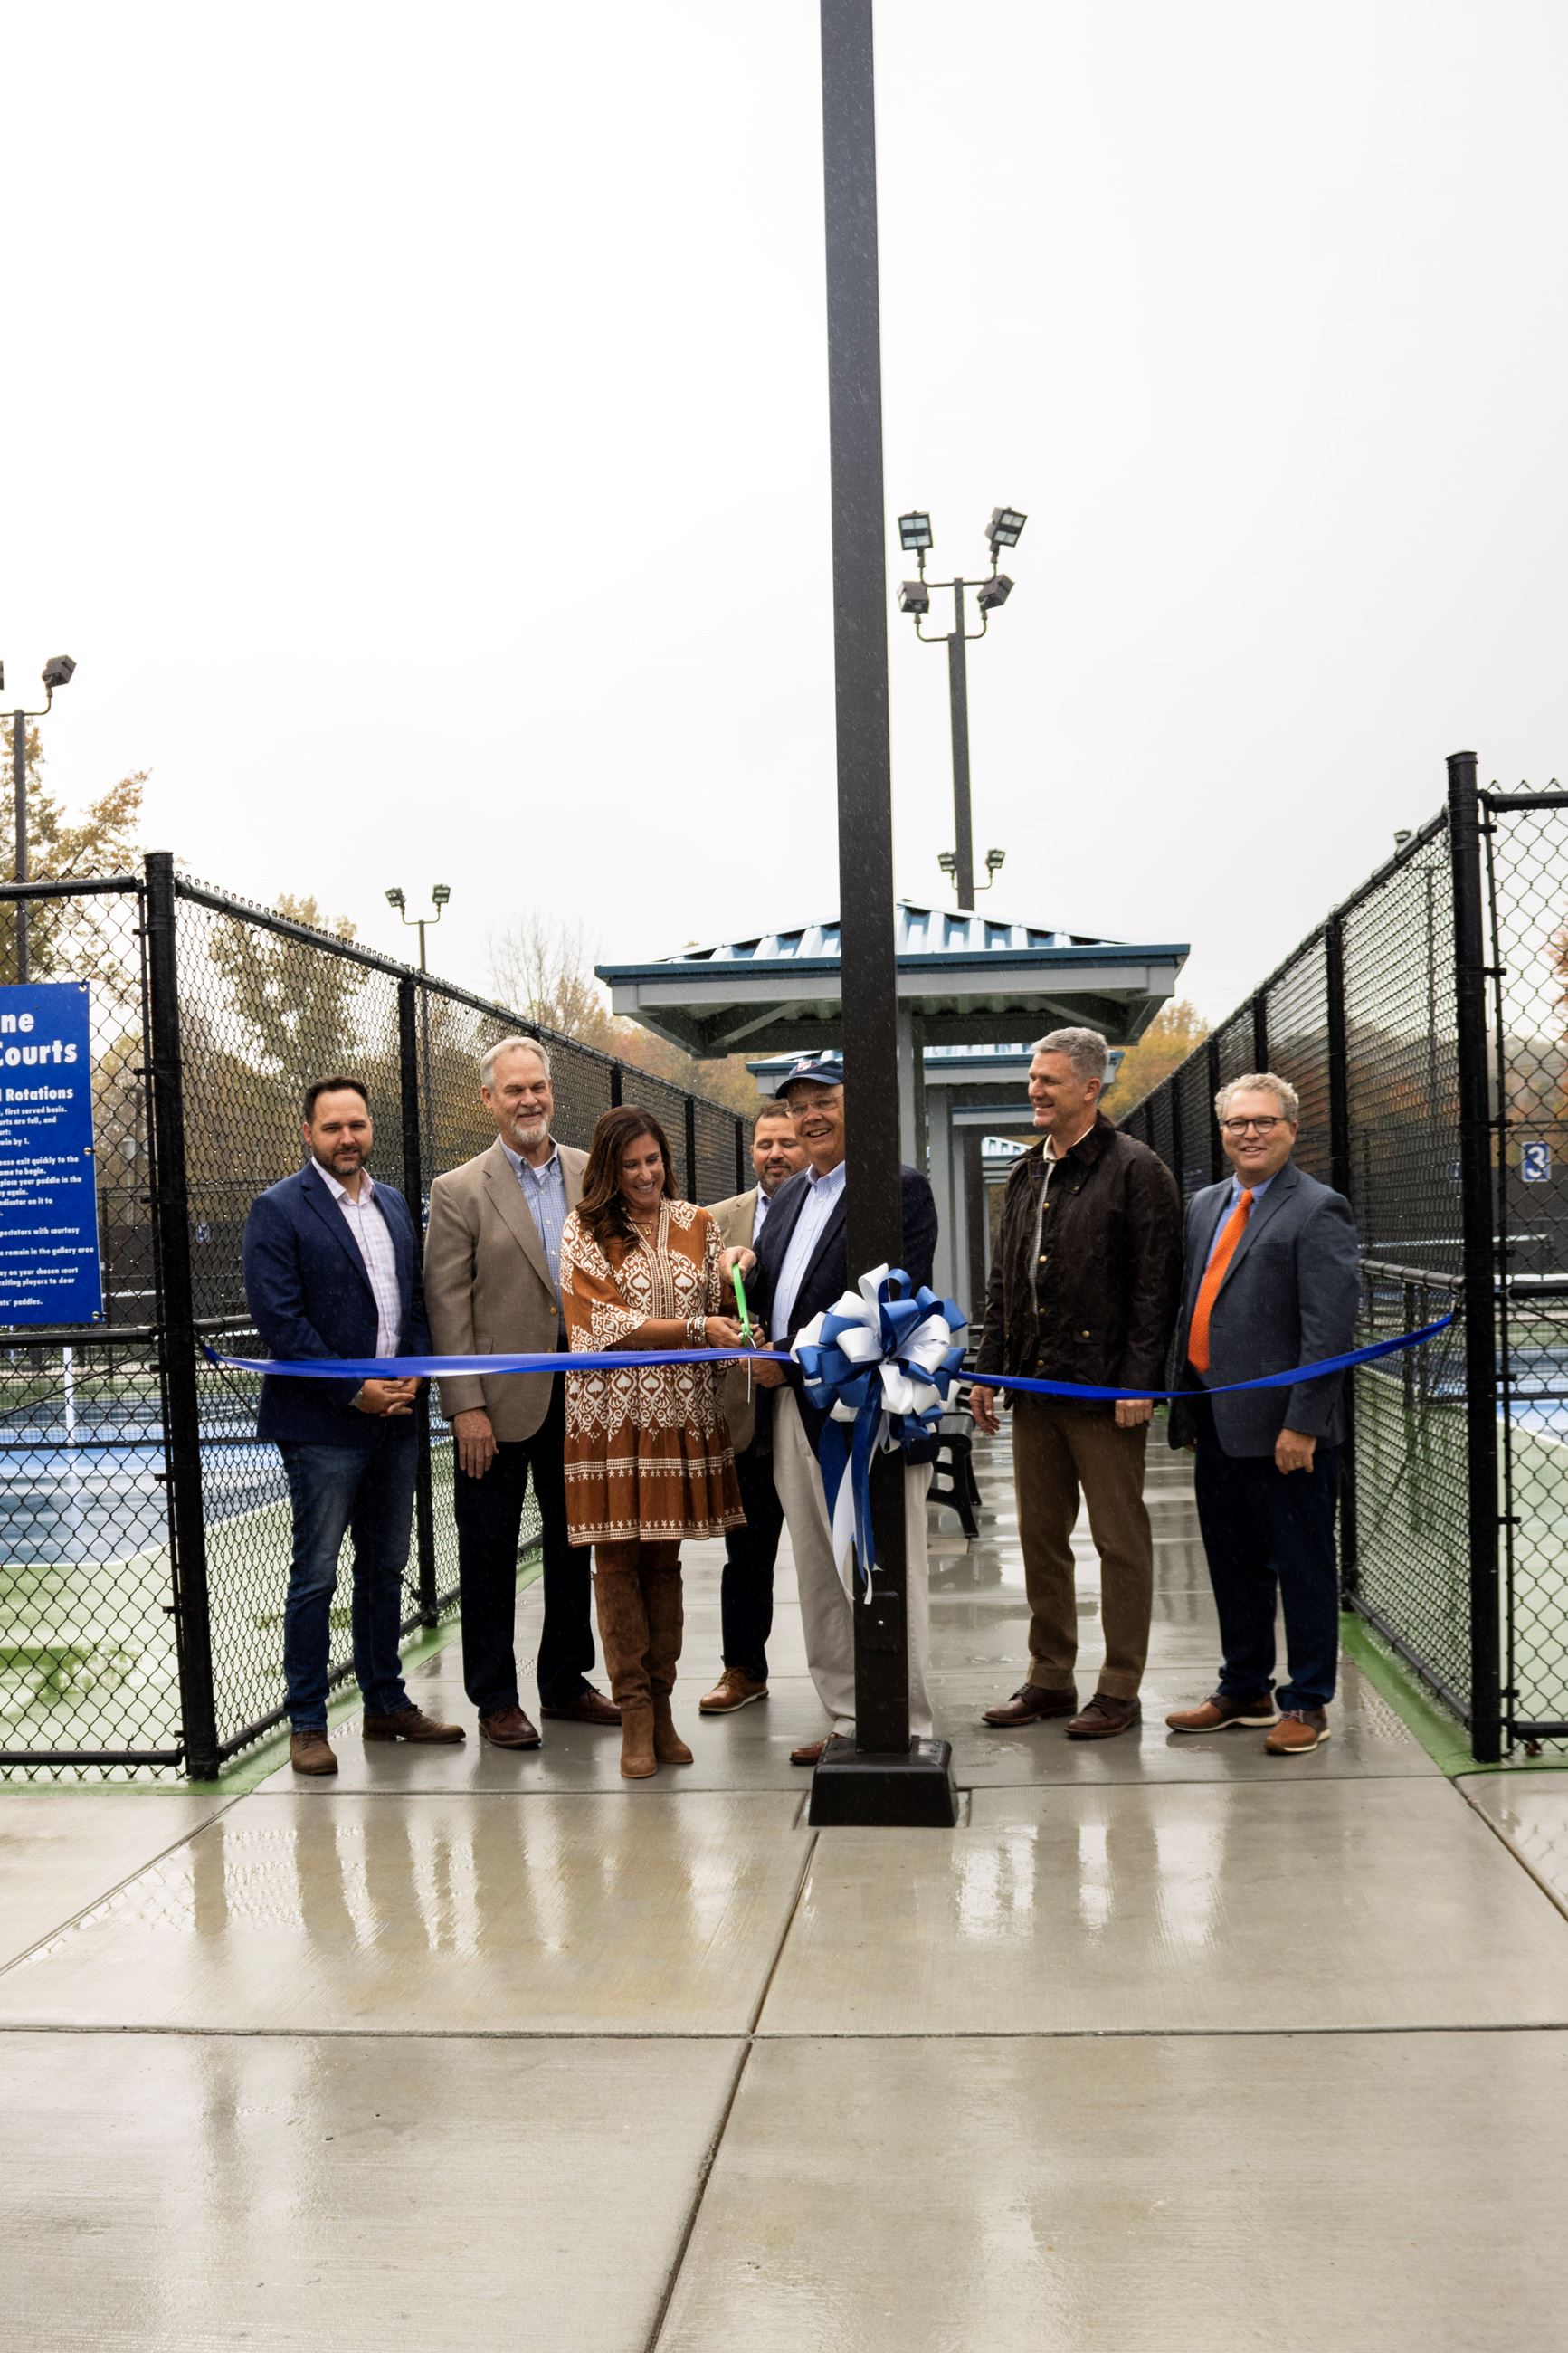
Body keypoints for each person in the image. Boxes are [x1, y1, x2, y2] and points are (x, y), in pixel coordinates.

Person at [242, 1075, 462, 1776]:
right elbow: (281, 1321)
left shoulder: (395, 1204)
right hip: (323, 1427)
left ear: (370, 1131)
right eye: (333, 1127)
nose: (347, 1138)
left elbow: (419, 1302)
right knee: (315, 1576)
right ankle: (307, 1722)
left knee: (386, 1568)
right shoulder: (277, 1210)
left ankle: (385, 1704)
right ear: (307, 1134)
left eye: (357, 1126)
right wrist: (355, 1391)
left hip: (396, 1421)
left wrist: (411, 1375)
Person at [971, 1026, 1182, 1740]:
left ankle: (1118, 1688)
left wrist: (1138, 1384)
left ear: (1090, 1088)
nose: (1034, 1090)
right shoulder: (1027, 1172)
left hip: (1103, 1394)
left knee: (1118, 1541)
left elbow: (1155, 1289)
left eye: (1049, 1080)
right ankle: (1049, 1678)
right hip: (1032, 1389)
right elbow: (1004, 1276)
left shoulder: (1136, 1170)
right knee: (1040, 1538)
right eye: (1033, 1078)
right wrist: (988, 1369)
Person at [423, 1036, 618, 1749]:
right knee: (487, 1555)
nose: (528, 1100)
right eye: (513, 1090)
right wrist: (466, 1405)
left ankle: (565, 1682)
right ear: (488, 1100)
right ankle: (495, 1698)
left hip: (582, 1400)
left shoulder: (590, 1175)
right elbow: (447, 1306)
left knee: (575, 1548)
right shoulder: (458, 1191)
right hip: (496, 1410)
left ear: (550, 1093)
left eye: (537, 1087)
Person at [746, 1053, 939, 1767]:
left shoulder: (900, 1189)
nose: (809, 1115)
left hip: (866, 1419)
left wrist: (791, 1352)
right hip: (791, 1413)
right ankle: (849, 1716)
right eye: (797, 1105)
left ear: (860, 1103)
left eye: (823, 1098)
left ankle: (903, 1720)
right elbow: (777, 1295)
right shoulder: (791, 1197)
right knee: (818, 1571)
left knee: (883, 1564)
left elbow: (888, 1299)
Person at [1164, 1072, 1361, 1754]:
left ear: (1290, 1130)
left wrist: (1302, 1423)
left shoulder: (1317, 1209)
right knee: (1231, 1563)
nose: (1248, 1133)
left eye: (1263, 1122)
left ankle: (1306, 1703)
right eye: (1236, 1122)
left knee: (1303, 1568)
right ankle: (1243, 1687)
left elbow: (1328, 1331)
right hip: (1217, 1423)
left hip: (1286, 1434)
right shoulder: (1204, 1205)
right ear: (1221, 1132)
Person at [557, 1105, 745, 1779]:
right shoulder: (582, 1229)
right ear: (610, 1169)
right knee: (615, 1564)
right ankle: (632, 1713)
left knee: (663, 1565)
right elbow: (599, 1325)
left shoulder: (701, 1224)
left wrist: (732, 1322)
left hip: (680, 1414)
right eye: (631, 1164)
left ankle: (662, 1711)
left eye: (653, 1160)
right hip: (608, 1419)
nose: (645, 1173)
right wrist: (696, 1331)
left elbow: (723, 1312)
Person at [698, 1103, 808, 1714]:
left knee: (831, 1551)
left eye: (787, 1142)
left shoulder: (828, 1211)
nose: (775, 1154)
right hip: (744, 1415)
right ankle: (742, 1669)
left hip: (813, 1402)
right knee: (746, 1553)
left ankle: (853, 1677)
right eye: (765, 1143)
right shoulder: (716, 1222)